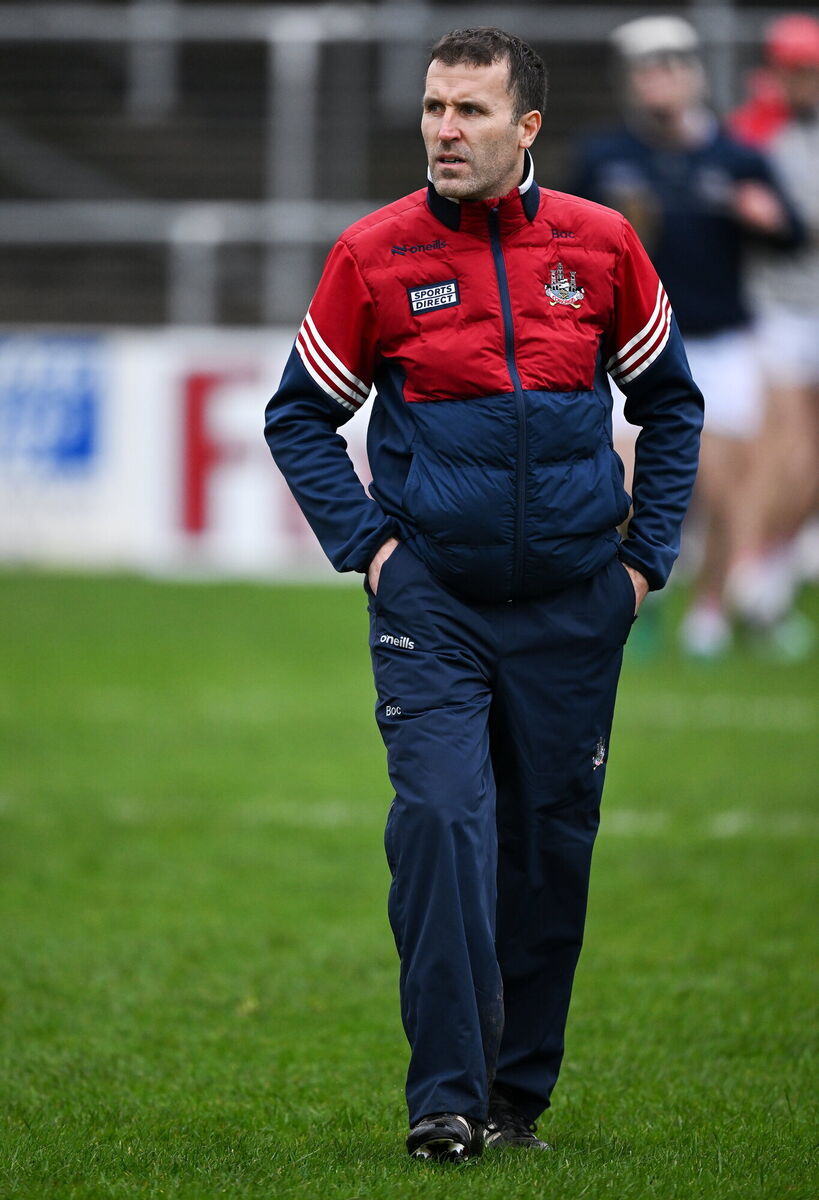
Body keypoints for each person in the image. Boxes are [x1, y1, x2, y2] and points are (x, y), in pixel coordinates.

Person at [265, 26, 702, 1162]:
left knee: (548, 854)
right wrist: (373, 551)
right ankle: (446, 1104)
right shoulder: (375, 255)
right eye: (432, 109)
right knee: (444, 828)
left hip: (574, 607)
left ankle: (516, 1102)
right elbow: (298, 417)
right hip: (434, 610)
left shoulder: (602, 247)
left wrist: (643, 562)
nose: (444, 131)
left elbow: (672, 405)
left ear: (527, 127)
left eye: (468, 111)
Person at [572, 16, 803, 658]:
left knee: (728, 489)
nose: (660, 82)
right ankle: (635, 599)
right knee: (616, 482)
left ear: (695, 75)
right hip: (632, 343)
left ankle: (709, 614)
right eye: (648, 70)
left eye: (672, 67)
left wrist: (768, 218)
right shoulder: (605, 156)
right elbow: (556, 239)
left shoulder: (735, 156)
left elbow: (791, 236)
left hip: (720, 341)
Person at [726, 14, 819, 658]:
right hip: (775, 309)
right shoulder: (756, 131)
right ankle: (747, 578)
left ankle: (766, 576)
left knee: (808, 468)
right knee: (787, 455)